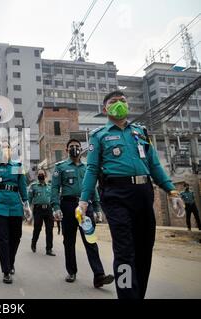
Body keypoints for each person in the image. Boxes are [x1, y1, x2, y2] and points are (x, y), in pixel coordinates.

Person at [78, 90, 185, 299]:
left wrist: (172, 191)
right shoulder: (99, 136)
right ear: (105, 109)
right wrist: (83, 200)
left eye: (123, 101)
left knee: (144, 250)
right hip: (116, 195)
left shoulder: (141, 133)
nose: (119, 104)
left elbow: (154, 165)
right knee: (125, 252)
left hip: (144, 194)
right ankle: (127, 297)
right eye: (114, 102)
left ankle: (138, 295)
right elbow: (91, 169)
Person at [51, 138, 114, 288]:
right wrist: (55, 207)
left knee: (90, 240)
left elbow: (93, 188)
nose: (75, 149)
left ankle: (99, 276)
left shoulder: (88, 168)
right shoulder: (60, 167)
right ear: (67, 150)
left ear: (81, 149)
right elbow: (54, 188)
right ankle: (71, 271)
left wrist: (98, 208)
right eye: (72, 147)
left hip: (86, 207)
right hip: (68, 206)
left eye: (77, 146)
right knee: (69, 241)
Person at [0, 140, 30, 284]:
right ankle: (6, 270)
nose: (5, 150)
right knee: (2, 238)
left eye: (7, 147)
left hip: (15, 206)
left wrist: (26, 203)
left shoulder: (18, 167)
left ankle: (10, 262)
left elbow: (23, 186)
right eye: (1, 148)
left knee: (16, 237)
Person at [29, 169, 55, 256]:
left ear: (45, 176)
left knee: (49, 229)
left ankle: (49, 249)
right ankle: (33, 243)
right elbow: (29, 199)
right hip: (38, 210)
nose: (41, 175)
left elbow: (53, 198)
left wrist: (55, 209)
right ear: (37, 176)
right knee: (37, 228)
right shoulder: (33, 186)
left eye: (42, 174)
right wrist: (28, 210)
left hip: (48, 210)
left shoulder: (50, 186)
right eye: (39, 174)